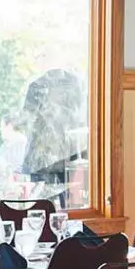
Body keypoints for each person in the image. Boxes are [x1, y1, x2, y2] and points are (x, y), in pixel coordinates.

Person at [20, 67, 85, 203]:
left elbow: (79, 120)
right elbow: (27, 120)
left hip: (64, 159)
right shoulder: (37, 86)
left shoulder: (75, 84)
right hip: (42, 161)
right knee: (42, 205)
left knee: (64, 205)